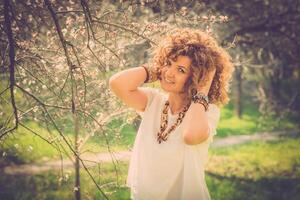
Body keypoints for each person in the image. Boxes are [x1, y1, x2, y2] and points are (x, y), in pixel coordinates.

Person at [109, 28, 234, 200]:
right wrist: (158, 70)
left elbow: (190, 136)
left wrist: (202, 91)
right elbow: (117, 83)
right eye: (168, 63)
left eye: (181, 70)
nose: (170, 73)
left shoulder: (206, 111)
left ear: (196, 78)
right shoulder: (153, 101)